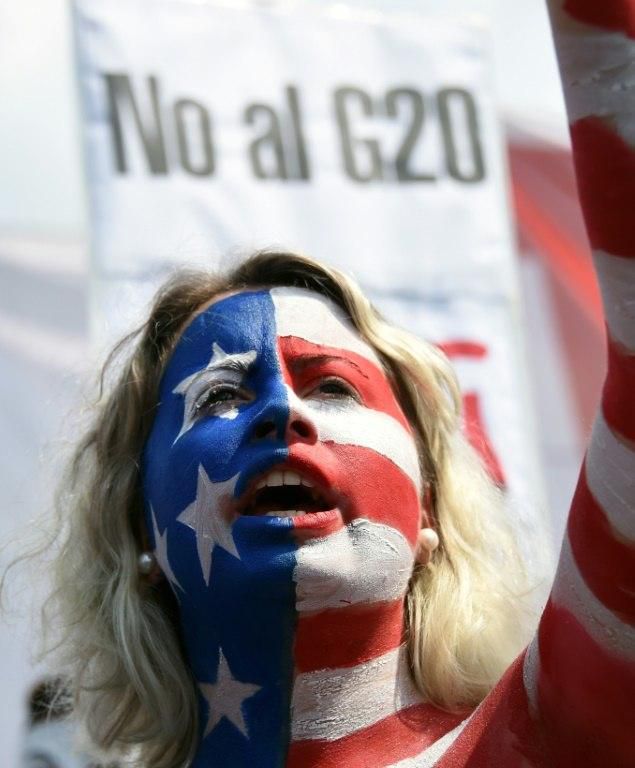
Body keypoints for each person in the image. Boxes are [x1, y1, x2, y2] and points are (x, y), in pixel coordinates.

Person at [39, 1, 635, 766]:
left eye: (333, 388)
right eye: (219, 396)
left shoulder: (543, 742)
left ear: (430, 513)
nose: (281, 412)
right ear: (138, 531)